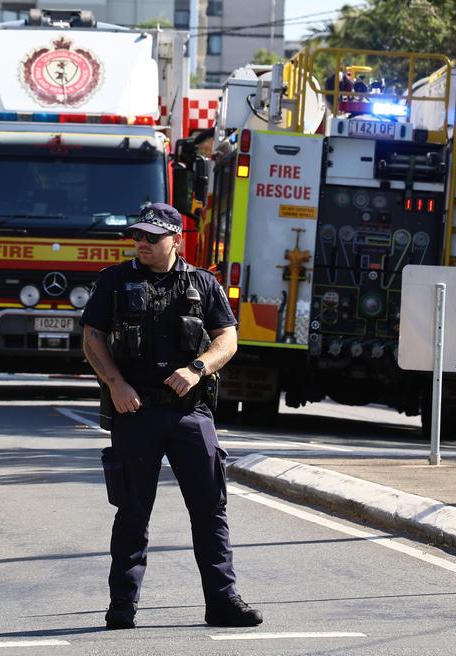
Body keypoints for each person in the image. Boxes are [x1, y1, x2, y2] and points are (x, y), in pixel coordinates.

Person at [80, 202, 263, 630]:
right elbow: (92, 338)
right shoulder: (114, 281)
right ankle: (122, 605)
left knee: (210, 510)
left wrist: (198, 368)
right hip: (135, 410)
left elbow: (228, 339)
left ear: (175, 240)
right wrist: (115, 384)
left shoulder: (203, 283)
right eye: (138, 236)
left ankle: (222, 602)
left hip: (189, 414)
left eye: (152, 237)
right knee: (132, 512)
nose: (141, 243)